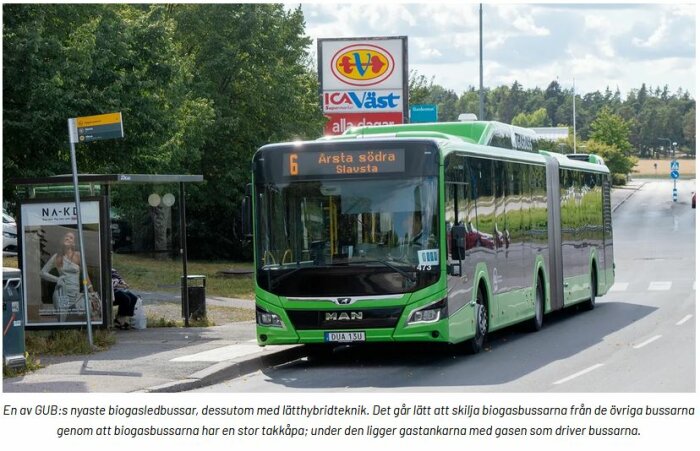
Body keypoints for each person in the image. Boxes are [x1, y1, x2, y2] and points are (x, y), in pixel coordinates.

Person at [40, 230, 99, 321]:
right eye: (66, 236)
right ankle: (61, 335)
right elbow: (42, 273)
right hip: (62, 293)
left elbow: (85, 276)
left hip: (76, 294)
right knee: (64, 318)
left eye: (71, 237)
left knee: (81, 315)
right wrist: (57, 279)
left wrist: (91, 292)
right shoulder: (57, 257)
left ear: (73, 243)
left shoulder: (78, 255)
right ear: (62, 240)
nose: (68, 238)